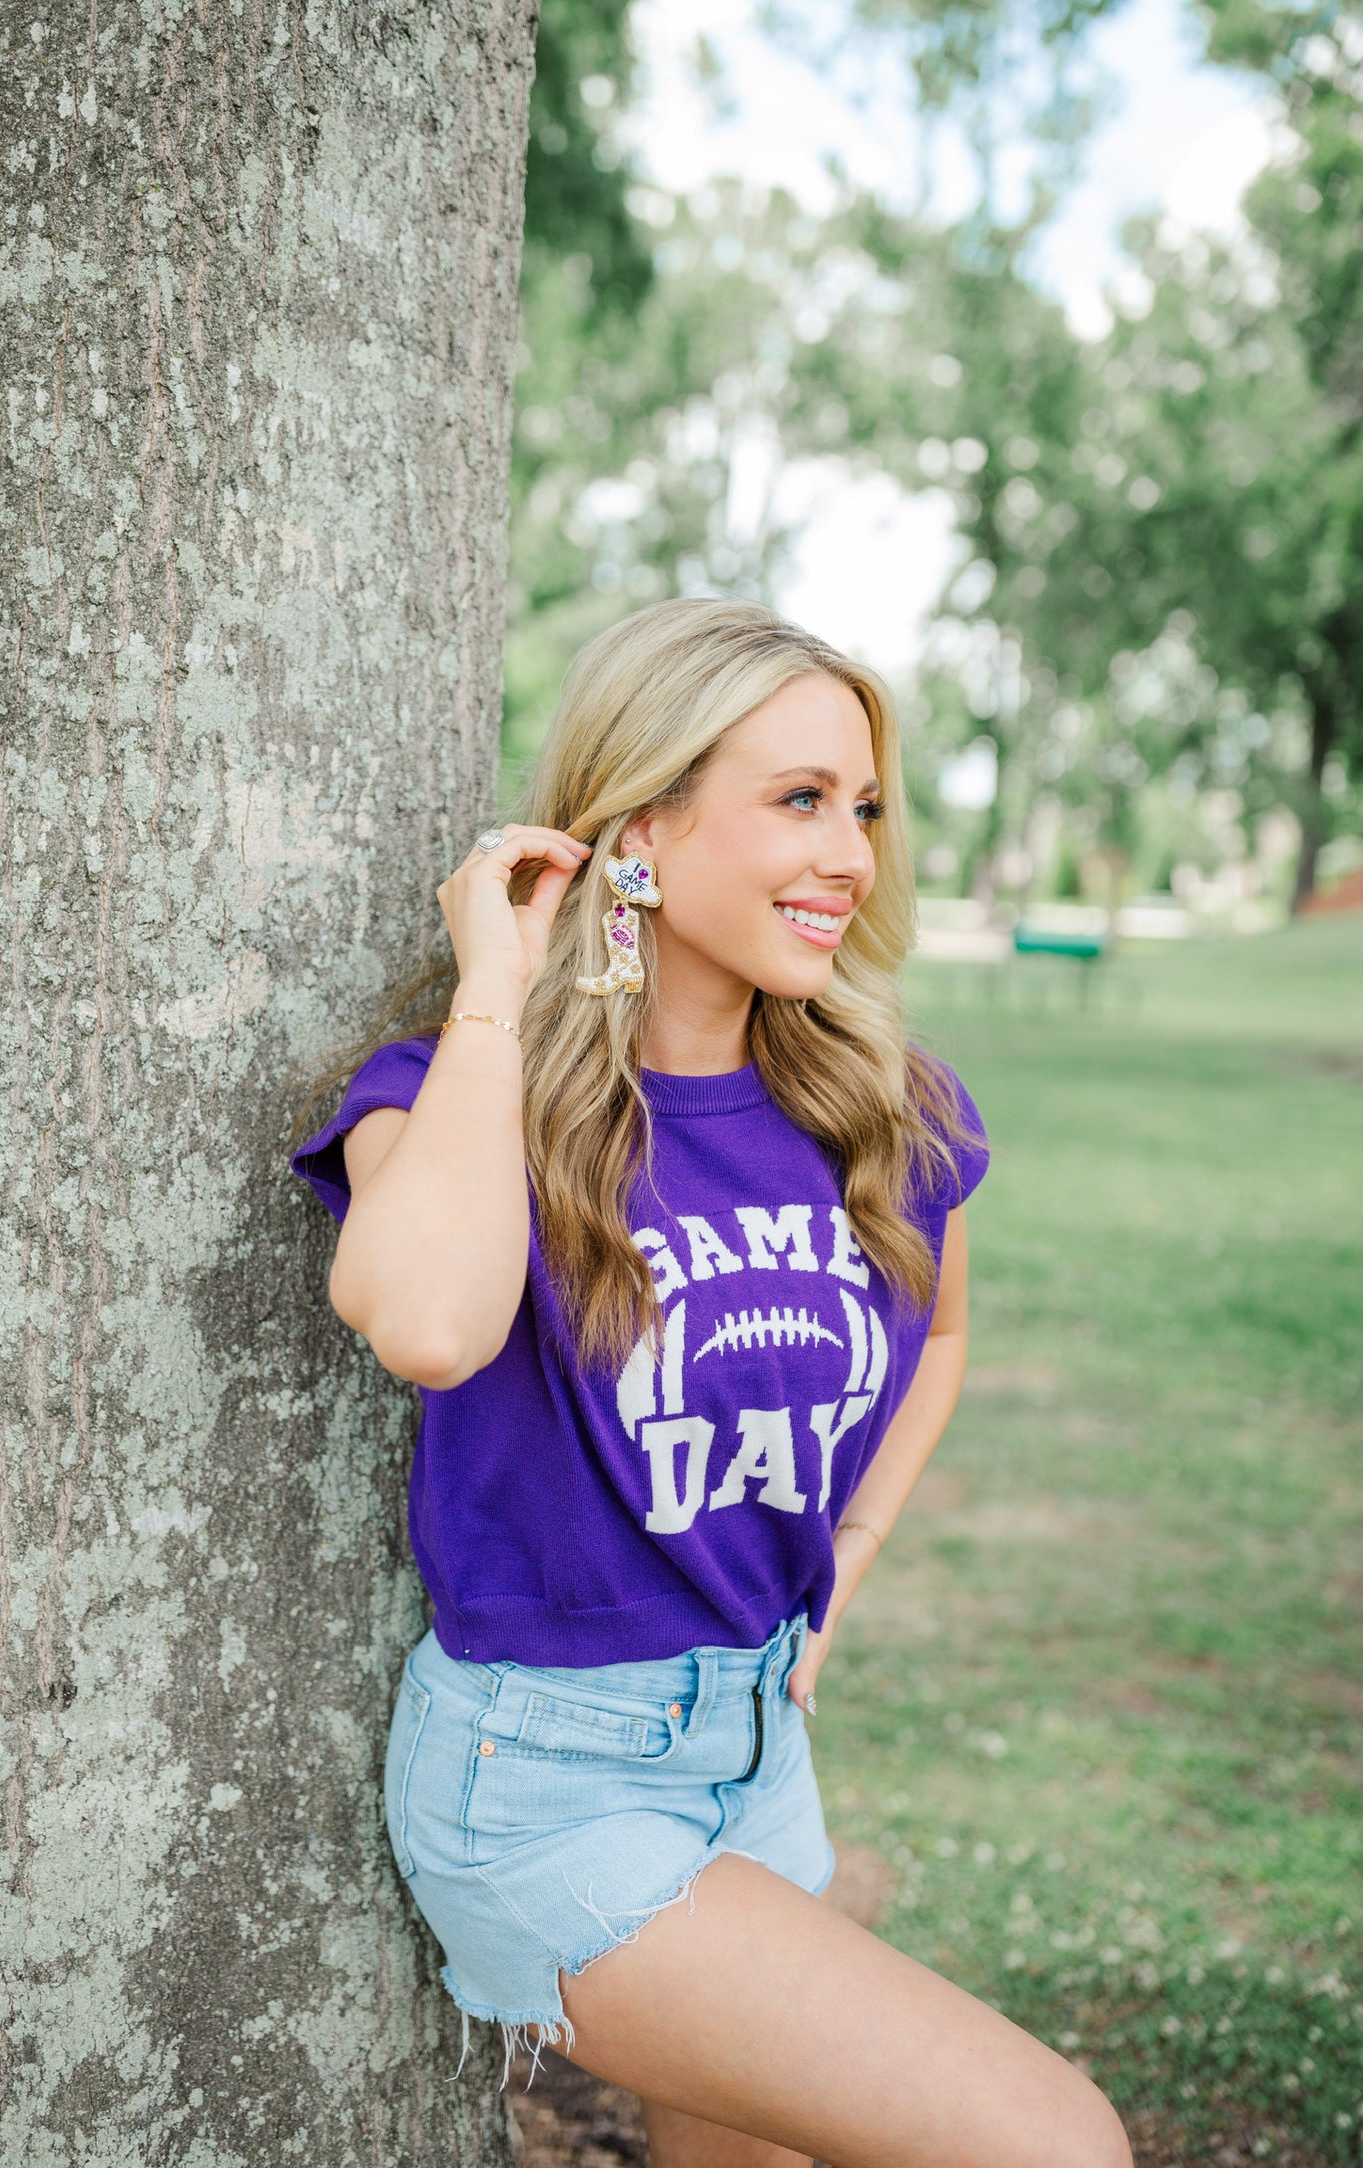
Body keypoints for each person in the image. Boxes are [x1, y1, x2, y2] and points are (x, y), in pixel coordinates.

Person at [286, 598, 1133, 2168]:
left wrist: (848, 1571)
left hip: (754, 1747)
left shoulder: (874, 1099)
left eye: (863, 806)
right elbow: (422, 1323)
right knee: (1047, 2141)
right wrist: (497, 983)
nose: (853, 855)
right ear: (641, 833)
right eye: (799, 801)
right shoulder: (461, 1097)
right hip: (543, 1783)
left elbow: (938, 1339)